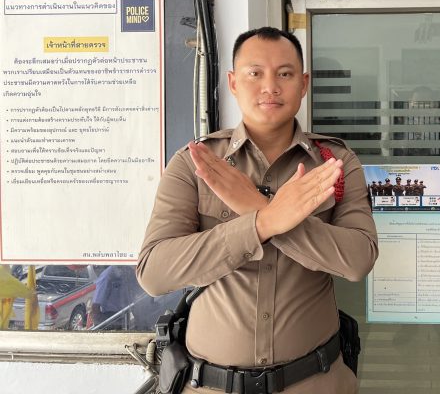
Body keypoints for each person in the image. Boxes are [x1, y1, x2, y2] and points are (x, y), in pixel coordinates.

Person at [137, 27, 378, 394]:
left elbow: (358, 260)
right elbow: (154, 273)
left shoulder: (335, 163)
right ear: (233, 83)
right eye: (255, 73)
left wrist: (256, 208)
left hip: (314, 382)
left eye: (285, 73)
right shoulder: (196, 163)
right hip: (210, 385)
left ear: (303, 84)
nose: (270, 86)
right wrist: (263, 223)